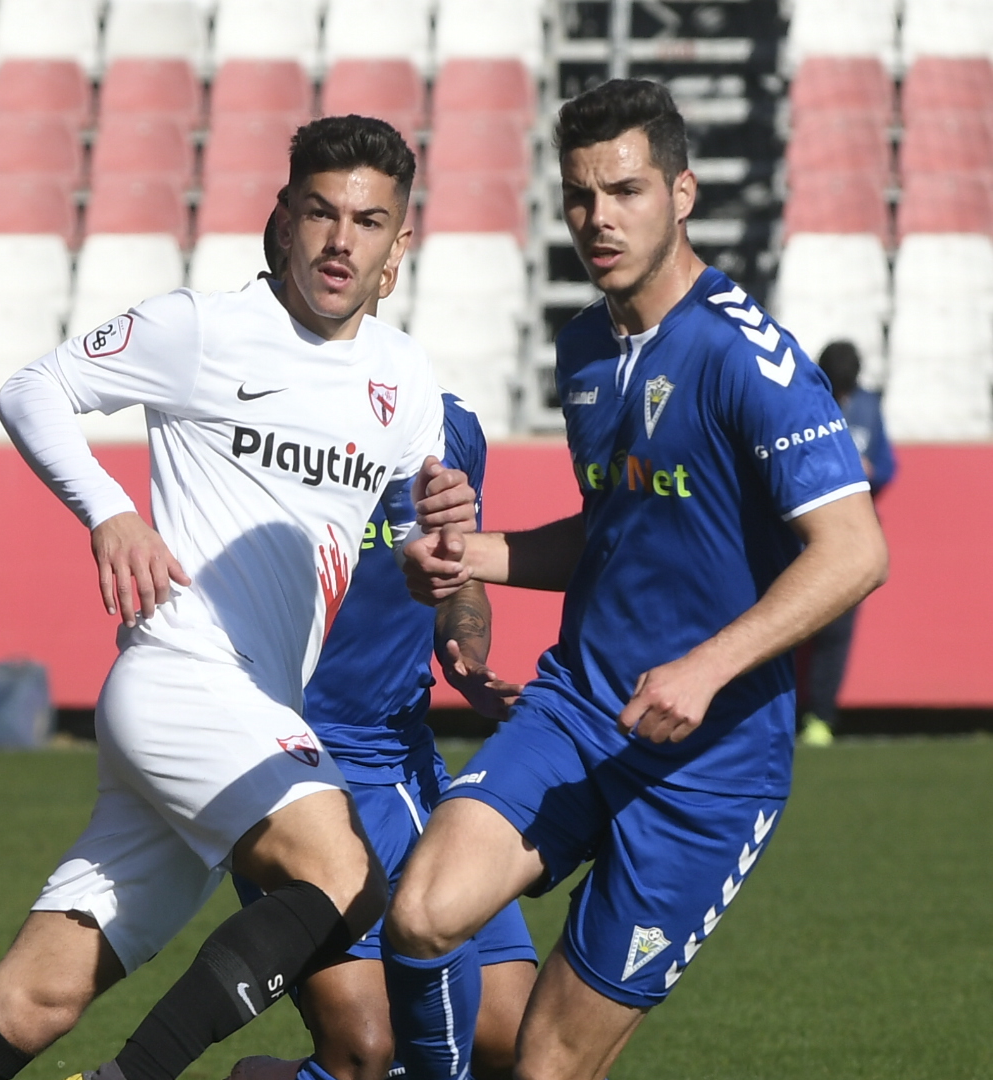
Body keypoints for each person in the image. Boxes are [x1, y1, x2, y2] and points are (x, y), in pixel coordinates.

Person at [0, 116, 478, 1080]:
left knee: (35, 998)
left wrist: (438, 539)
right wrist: (111, 512)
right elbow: (32, 389)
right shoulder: (202, 328)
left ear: (397, 247)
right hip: (183, 676)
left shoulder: (404, 380)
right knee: (344, 874)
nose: (341, 241)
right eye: (321, 213)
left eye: (369, 222)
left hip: (246, 708)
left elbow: (412, 546)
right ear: (282, 219)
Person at [387, 79, 889, 1080]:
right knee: (421, 913)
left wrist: (705, 669)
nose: (599, 220)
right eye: (581, 196)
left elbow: (855, 551)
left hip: (712, 766)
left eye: (625, 191)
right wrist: (472, 556)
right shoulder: (583, 348)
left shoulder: (749, 357)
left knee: (548, 1068)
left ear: (684, 193)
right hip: (578, 708)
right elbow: (613, 531)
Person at [228, 209, 537, 1080]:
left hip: (407, 760)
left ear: (389, 268)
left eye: (366, 235)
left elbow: (460, 565)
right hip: (288, 769)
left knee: (515, 1044)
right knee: (368, 1051)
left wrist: (466, 652)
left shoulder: (440, 425)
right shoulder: (240, 426)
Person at [796, 340, 895, 746]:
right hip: (803, 540)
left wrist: (872, 472)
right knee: (786, 632)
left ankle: (820, 718)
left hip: (849, 544)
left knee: (834, 638)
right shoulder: (803, 403)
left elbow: (887, 465)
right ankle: (781, 715)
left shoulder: (869, 408)